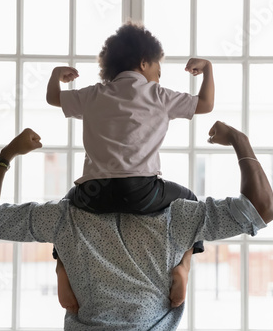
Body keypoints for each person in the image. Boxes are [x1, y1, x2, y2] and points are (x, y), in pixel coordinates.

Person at [0, 121, 273, 331]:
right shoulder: (177, 213)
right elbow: (261, 208)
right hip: (150, 313)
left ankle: (67, 264)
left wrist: (6, 156)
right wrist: (239, 141)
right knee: (186, 206)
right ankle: (183, 261)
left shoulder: (66, 215)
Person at [46, 22, 215, 311]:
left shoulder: (94, 94)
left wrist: (54, 76)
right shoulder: (158, 95)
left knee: (64, 211)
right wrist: (208, 68)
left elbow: (52, 98)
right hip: (142, 192)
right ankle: (184, 266)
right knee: (191, 201)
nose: (158, 77)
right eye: (157, 70)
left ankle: (63, 270)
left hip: (93, 193)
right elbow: (206, 103)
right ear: (144, 62)